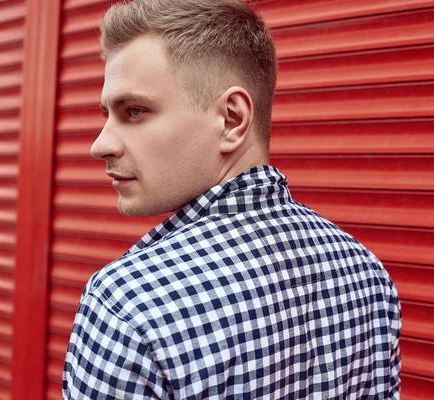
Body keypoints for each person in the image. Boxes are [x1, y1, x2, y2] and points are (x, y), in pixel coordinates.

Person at [63, 0, 401, 398]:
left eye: (134, 111)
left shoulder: (127, 305)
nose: (100, 144)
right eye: (106, 113)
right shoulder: (365, 272)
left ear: (232, 119)